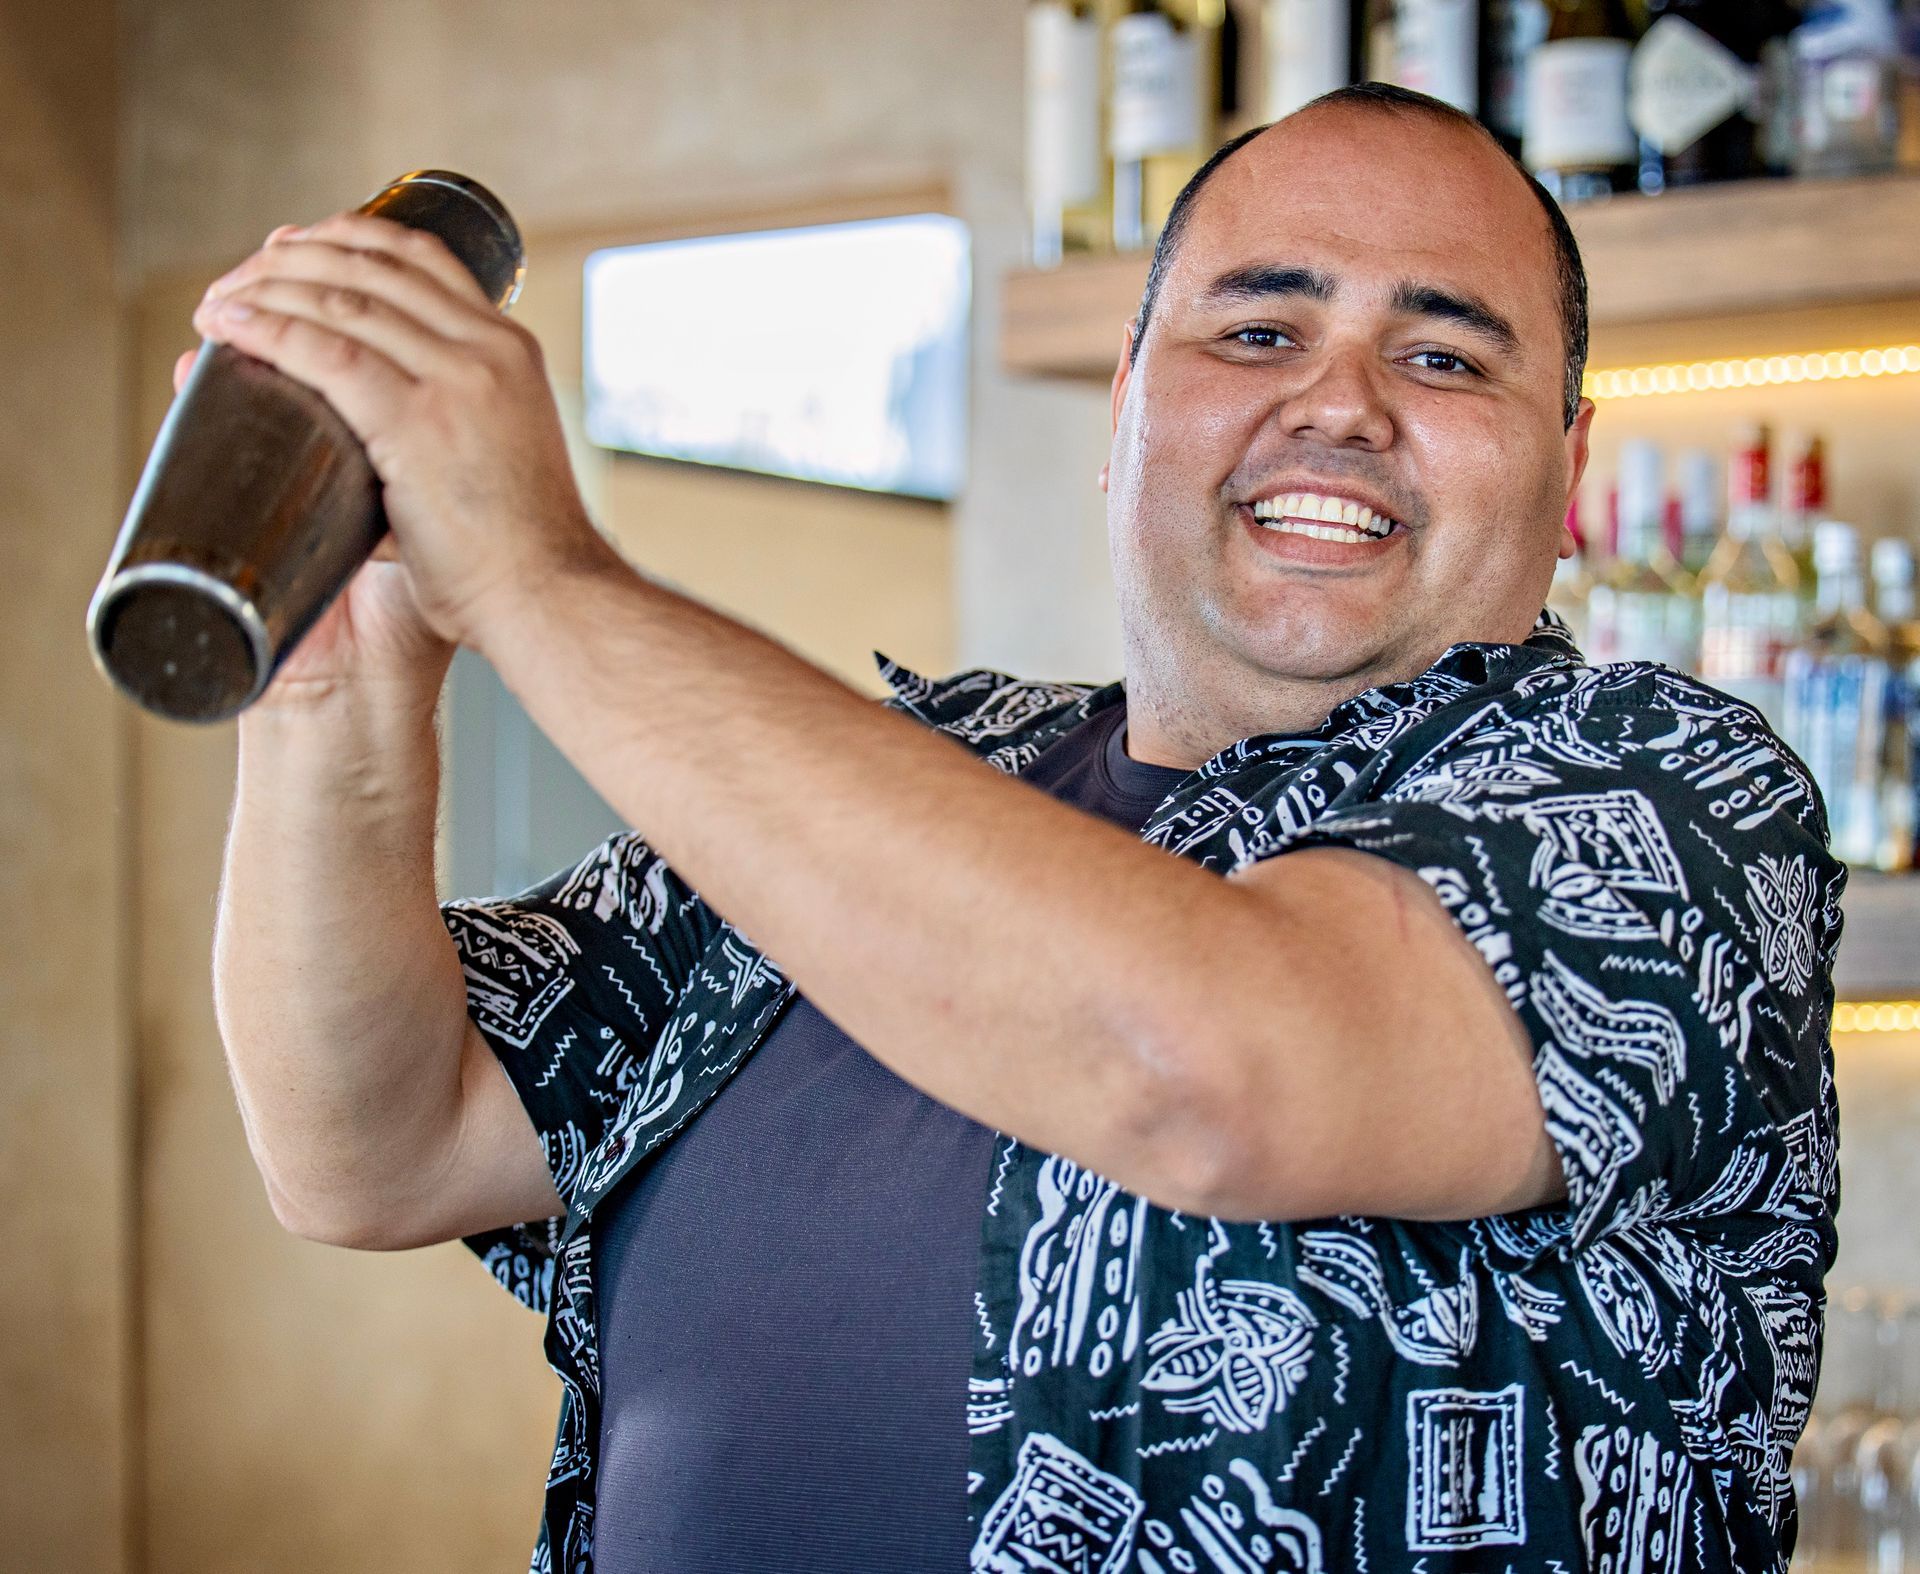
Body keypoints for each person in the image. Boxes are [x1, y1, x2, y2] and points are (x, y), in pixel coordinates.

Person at [205, 84, 1841, 1574]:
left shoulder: (1673, 793)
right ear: (1128, 402)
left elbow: (1210, 1066)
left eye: (1443, 355)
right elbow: (379, 1140)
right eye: (1258, 331)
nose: (1339, 404)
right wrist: (334, 689)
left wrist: (541, 575)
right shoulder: (919, 771)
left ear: (1567, 469)